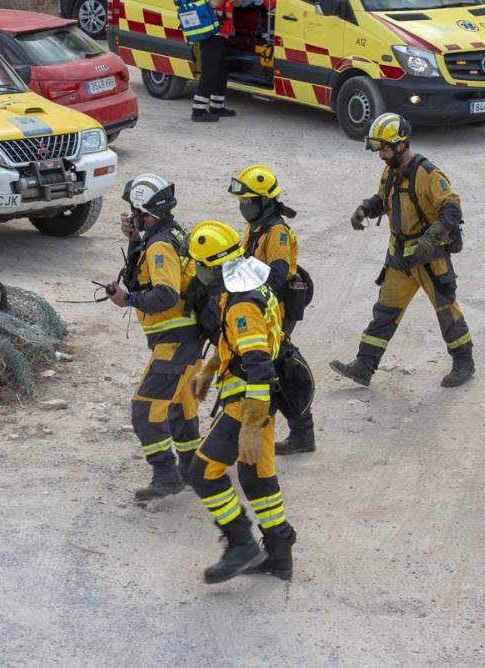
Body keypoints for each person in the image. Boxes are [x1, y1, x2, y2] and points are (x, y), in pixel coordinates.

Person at [330, 113, 474, 389]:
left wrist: (431, 239)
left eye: (384, 148)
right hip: (399, 257)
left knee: (446, 310)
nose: (380, 155)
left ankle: (464, 361)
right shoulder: (390, 172)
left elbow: (451, 208)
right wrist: (365, 210)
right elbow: (383, 200)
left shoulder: (428, 174)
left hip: (429, 258)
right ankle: (364, 364)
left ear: (401, 145)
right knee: (385, 310)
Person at [188, 220, 298, 582]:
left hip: (249, 400)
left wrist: (250, 426)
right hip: (261, 399)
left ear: (215, 267)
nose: (196, 272)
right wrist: (211, 367)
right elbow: (245, 344)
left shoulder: (240, 305)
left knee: (203, 473)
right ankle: (279, 554)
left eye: (199, 265)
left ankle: (241, 543)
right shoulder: (248, 287)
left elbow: (259, 365)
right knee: (257, 478)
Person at [106, 174, 204, 501]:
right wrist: (135, 239)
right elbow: (143, 275)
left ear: (145, 212)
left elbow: (165, 293)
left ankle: (166, 473)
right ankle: (191, 469)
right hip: (187, 340)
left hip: (175, 341)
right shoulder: (168, 233)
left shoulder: (161, 244)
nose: (129, 216)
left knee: (145, 410)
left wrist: (127, 299)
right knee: (180, 406)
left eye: (133, 212)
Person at [228, 164, 316, 455]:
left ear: (264, 201)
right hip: (260, 306)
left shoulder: (276, 232)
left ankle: (302, 435)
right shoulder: (255, 227)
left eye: (248, 201)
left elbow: (277, 276)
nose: (243, 206)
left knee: (280, 367)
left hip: (274, 308)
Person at [191, 0, 235, 122]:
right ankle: (198, 111)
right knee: (209, 70)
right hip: (212, 32)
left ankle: (217, 106)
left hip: (221, 32)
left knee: (221, 70)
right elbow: (214, 4)